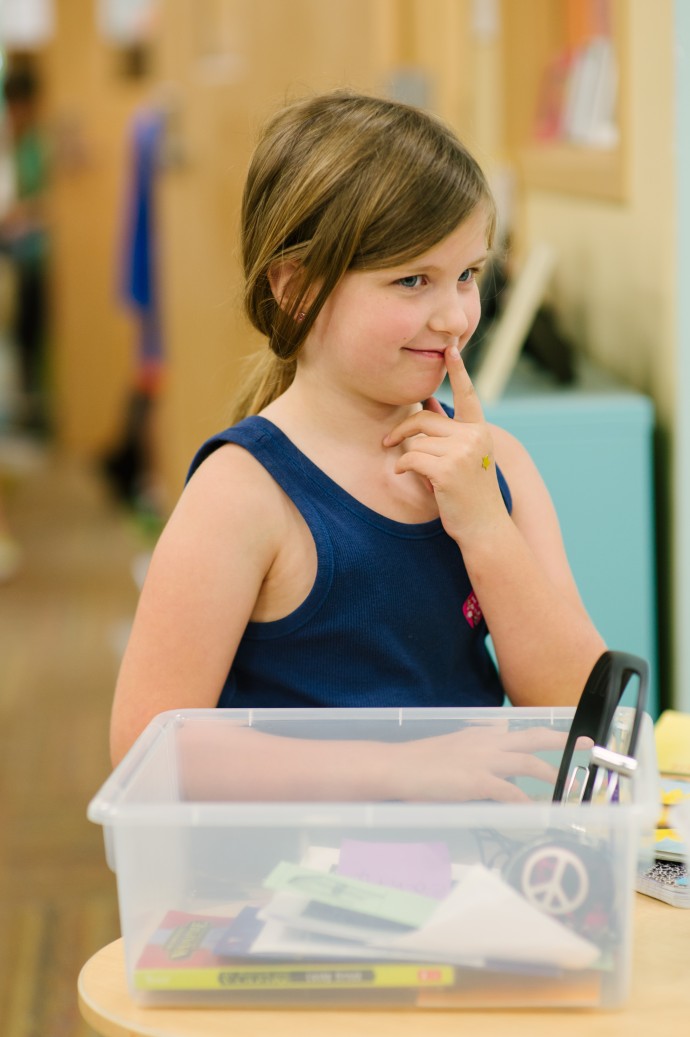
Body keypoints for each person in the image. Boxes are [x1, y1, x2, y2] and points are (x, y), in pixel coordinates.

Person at [109, 91, 605, 797]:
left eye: (469, 274)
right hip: (294, 883)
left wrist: (486, 527)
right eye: (412, 280)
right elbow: (144, 749)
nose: (456, 315)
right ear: (297, 288)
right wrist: (401, 770)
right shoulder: (241, 494)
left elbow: (583, 708)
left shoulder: (498, 465)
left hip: (466, 870)